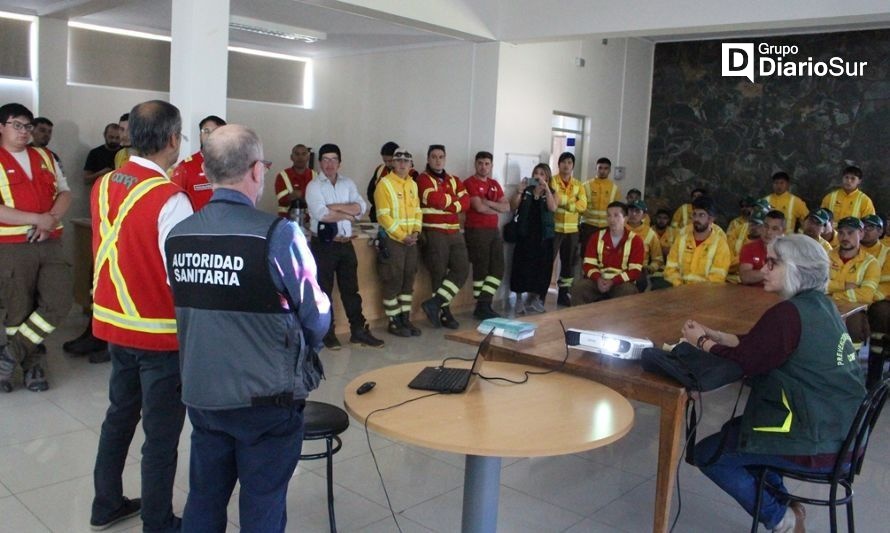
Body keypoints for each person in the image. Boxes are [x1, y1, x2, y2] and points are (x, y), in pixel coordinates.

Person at [165, 124, 330, 532]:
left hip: (202, 394)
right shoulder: (278, 234)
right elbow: (317, 316)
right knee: (262, 504)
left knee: (204, 499)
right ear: (257, 171)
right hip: (265, 401)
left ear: (205, 172)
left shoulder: (178, 235)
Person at [681, 234, 865, 533]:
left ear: (797, 269)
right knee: (735, 432)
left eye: (773, 263)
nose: (763, 269)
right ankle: (785, 503)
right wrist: (718, 336)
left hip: (817, 441)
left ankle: (782, 519)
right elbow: (761, 346)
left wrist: (700, 342)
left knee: (709, 454)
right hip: (843, 433)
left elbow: (746, 362)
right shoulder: (822, 306)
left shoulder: (787, 314)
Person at [90, 100, 192, 532]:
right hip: (159, 336)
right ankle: (158, 521)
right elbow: (181, 280)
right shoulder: (170, 199)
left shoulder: (104, 183)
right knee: (161, 435)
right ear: (172, 139)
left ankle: (106, 503)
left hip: (115, 324)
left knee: (119, 416)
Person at [0, 103, 72, 393]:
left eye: (28, 127)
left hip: (50, 240)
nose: (24, 132)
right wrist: (36, 219)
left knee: (59, 300)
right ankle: (32, 367)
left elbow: (65, 192)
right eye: (17, 125)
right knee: (19, 307)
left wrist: (49, 220)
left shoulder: (45, 156)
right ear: (2, 127)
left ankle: (10, 355)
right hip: (13, 245)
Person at [305, 143, 383, 349]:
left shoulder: (348, 183)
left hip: (346, 244)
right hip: (324, 244)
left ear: (340, 163)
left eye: (334, 159)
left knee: (351, 290)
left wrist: (338, 209)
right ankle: (327, 333)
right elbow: (323, 214)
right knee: (323, 291)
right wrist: (348, 212)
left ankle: (358, 330)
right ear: (320, 162)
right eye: (326, 159)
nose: (330, 164)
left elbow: (361, 207)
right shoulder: (313, 186)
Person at [417, 144, 470, 329]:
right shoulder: (422, 179)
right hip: (434, 231)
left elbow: (466, 202)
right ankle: (445, 313)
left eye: (441, 156)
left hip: (454, 232)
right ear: (428, 159)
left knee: (462, 269)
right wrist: (453, 201)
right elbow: (435, 200)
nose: (437, 160)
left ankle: (434, 303)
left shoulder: (453, 179)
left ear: (445, 159)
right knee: (438, 274)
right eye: (434, 156)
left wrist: (449, 202)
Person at [374, 147, 423, 337]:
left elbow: (418, 210)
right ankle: (393, 321)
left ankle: (405, 318)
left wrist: (416, 231)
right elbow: (383, 217)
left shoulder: (413, 184)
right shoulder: (384, 184)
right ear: (392, 163)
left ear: (411, 165)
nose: (402, 164)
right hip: (394, 241)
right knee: (392, 280)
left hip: (412, 241)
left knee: (408, 280)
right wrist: (403, 236)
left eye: (406, 161)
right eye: (399, 160)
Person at [464, 151, 510, 320]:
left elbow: (506, 207)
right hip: (476, 230)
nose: (483, 166)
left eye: (487, 163)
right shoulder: (470, 183)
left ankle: (485, 303)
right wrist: (495, 207)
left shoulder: (494, 184)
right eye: (480, 163)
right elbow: (478, 208)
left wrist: (489, 202)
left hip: (493, 231)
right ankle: (481, 306)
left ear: (491, 165)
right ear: (475, 164)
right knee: (481, 268)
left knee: (498, 268)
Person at [571, 201, 644, 304]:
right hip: (597, 281)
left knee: (629, 292)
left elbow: (635, 271)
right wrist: (598, 279)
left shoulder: (636, 241)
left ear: (626, 219)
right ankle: (579, 320)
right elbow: (588, 265)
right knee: (579, 289)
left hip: (622, 283)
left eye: (616, 216)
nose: (611, 219)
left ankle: (621, 320)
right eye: (609, 216)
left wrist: (613, 281)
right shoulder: (596, 237)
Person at [510, 163, 557, 314]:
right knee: (521, 268)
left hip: (544, 238)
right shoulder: (526, 191)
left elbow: (553, 207)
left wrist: (546, 190)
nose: (538, 176)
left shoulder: (553, 192)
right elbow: (513, 206)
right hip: (525, 235)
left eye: (542, 174)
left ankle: (535, 299)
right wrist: (519, 191)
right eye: (536, 173)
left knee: (542, 270)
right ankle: (518, 300)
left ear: (547, 177)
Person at [827, 217, 879, 351]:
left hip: (853, 309)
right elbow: (817, 285)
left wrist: (832, 296)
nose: (845, 237)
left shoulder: (870, 262)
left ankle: (852, 360)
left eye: (850, 233)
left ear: (861, 233)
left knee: (855, 325)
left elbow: (866, 295)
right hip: (825, 305)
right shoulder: (825, 256)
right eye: (841, 233)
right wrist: (843, 286)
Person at [664, 196, 731, 286]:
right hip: (679, 292)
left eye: (701, 215)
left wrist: (696, 294)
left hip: (707, 295)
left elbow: (717, 277)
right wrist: (680, 287)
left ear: (711, 219)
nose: (696, 219)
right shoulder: (681, 240)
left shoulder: (720, 244)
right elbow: (670, 269)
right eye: (694, 214)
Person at [550, 152, 587, 306]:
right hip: (554, 229)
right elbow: (553, 201)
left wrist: (565, 202)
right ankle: (539, 293)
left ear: (573, 166)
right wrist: (572, 202)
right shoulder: (552, 181)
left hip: (572, 230)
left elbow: (583, 206)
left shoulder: (578, 185)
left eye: (569, 162)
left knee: (569, 263)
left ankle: (563, 294)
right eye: (563, 162)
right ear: (559, 164)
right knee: (547, 260)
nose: (566, 165)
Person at [170, 114, 226, 211]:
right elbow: (173, 204)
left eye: (217, 132)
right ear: (200, 135)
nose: (211, 135)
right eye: (206, 131)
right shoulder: (185, 168)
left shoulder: (234, 164)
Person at [579, 157, 619, 249]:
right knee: (586, 253)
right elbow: (580, 206)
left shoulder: (614, 188)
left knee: (604, 253)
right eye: (600, 168)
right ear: (596, 169)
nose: (602, 171)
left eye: (605, 168)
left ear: (609, 170)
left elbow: (617, 210)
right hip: (588, 226)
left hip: (607, 226)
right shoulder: (585, 186)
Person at [738, 210, 786, 286]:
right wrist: (773, 271)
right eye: (766, 226)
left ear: (783, 231)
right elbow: (745, 277)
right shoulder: (749, 248)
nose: (768, 232)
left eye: (774, 229)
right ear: (762, 226)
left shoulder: (790, 251)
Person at [626, 199, 664, 291]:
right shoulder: (619, 228)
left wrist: (650, 268)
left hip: (640, 270)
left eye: (637, 211)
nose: (633, 214)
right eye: (631, 210)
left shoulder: (650, 233)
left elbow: (658, 259)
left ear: (644, 215)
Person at [274, 143, 315, 218]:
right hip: (287, 222)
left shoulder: (315, 176)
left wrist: (299, 194)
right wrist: (307, 196)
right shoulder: (282, 176)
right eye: (297, 154)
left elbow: (319, 200)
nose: (300, 157)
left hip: (311, 224)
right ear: (291, 157)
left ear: (308, 157)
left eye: (303, 154)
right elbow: (282, 200)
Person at [367, 140, 398, 223]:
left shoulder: (408, 172)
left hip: (397, 216)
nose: (387, 164)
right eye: (385, 161)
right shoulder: (380, 169)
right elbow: (370, 192)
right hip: (378, 214)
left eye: (390, 161)